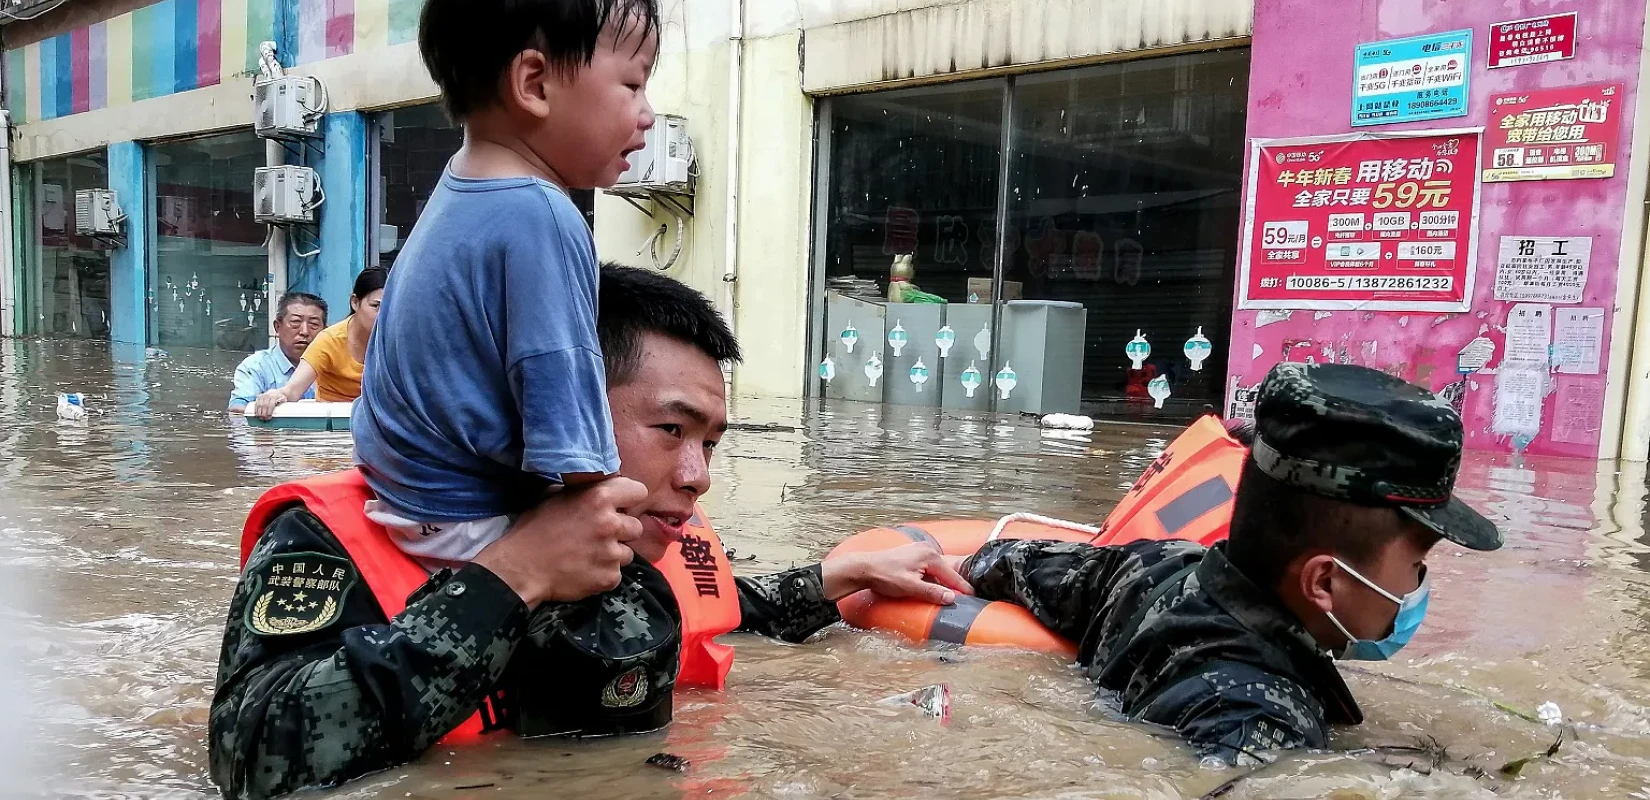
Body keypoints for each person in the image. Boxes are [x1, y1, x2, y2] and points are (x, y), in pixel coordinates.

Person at [208, 265, 970, 799]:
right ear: (550, 404)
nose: (698, 474)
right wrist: (512, 577)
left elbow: (728, 606)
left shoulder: (640, 540)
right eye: (671, 429)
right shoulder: (335, 537)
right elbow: (252, 756)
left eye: (712, 442)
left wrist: (846, 577)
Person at [956, 362, 1503, 763]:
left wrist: (948, 565)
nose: (1419, 586)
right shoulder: (1258, 722)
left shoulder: (1154, 566)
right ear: (1324, 582)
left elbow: (1010, 561)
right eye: (1417, 564)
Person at [346, 0, 660, 570]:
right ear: (533, 82)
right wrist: (625, 511)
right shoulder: (542, 213)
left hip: (406, 498)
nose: (648, 115)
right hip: (470, 523)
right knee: (646, 578)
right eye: (633, 85)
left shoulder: (461, 184)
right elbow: (569, 421)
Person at [251, 269, 387, 418]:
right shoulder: (329, 340)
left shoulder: (400, 343)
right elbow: (293, 389)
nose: (384, 314)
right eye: (376, 306)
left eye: (391, 306)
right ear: (355, 302)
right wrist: (274, 395)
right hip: (332, 427)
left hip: (378, 425)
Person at [228, 293, 327, 413]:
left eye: (314, 324)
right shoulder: (255, 366)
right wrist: (262, 409)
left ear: (325, 331)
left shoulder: (334, 365)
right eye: (296, 322)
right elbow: (237, 410)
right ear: (277, 327)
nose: (304, 332)